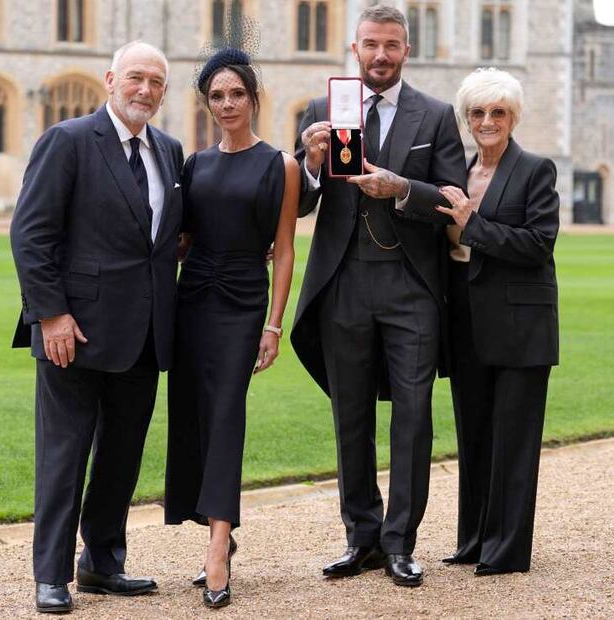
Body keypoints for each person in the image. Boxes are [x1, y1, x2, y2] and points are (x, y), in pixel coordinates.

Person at [292, 5, 466, 587]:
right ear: (355, 47)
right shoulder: (323, 111)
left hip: (410, 286)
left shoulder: (436, 116)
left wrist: (402, 189)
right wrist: (311, 165)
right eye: (371, 44)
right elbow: (299, 205)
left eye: (391, 45)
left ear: (406, 51)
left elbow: (452, 199)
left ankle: (400, 542)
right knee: (350, 417)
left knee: (414, 419)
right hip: (343, 282)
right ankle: (361, 538)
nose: (381, 55)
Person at [10, 41, 184, 613]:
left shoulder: (168, 149)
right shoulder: (69, 140)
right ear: (110, 80)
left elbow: (162, 240)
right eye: (136, 78)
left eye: (156, 82)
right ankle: (51, 575)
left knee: (120, 458)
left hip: (144, 333)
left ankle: (102, 564)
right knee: (65, 455)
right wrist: (51, 314)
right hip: (74, 332)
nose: (146, 90)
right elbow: (31, 234)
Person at [163, 47, 300, 608]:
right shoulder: (194, 164)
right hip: (191, 299)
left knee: (226, 415)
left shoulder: (281, 165)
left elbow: (286, 251)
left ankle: (217, 548)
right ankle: (220, 529)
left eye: (236, 93)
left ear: (253, 98)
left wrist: (274, 325)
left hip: (243, 303)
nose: (226, 104)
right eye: (216, 96)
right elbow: (182, 241)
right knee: (195, 417)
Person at [423, 68, 560, 575]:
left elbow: (538, 245)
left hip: (521, 323)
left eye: (497, 113)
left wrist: (472, 224)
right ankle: (475, 539)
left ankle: (507, 549)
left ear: (512, 117)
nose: (487, 122)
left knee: (515, 438)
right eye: (477, 113)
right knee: (474, 432)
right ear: (466, 119)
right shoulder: (458, 171)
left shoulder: (535, 170)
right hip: (465, 316)